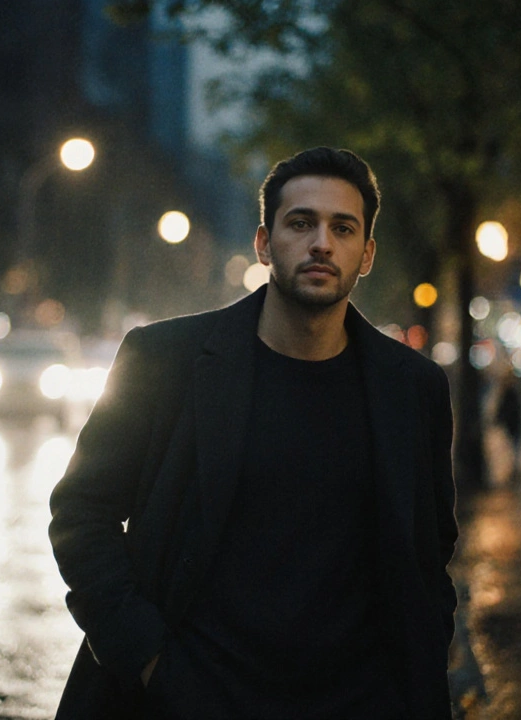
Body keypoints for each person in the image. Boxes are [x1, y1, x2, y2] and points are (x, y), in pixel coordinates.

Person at [48, 147, 458, 719]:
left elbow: (429, 549)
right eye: (301, 223)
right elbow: (81, 513)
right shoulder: (164, 360)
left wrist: (416, 666)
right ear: (264, 244)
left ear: (366, 254)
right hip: (191, 697)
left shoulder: (413, 388)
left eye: (343, 228)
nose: (321, 243)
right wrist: (147, 659)